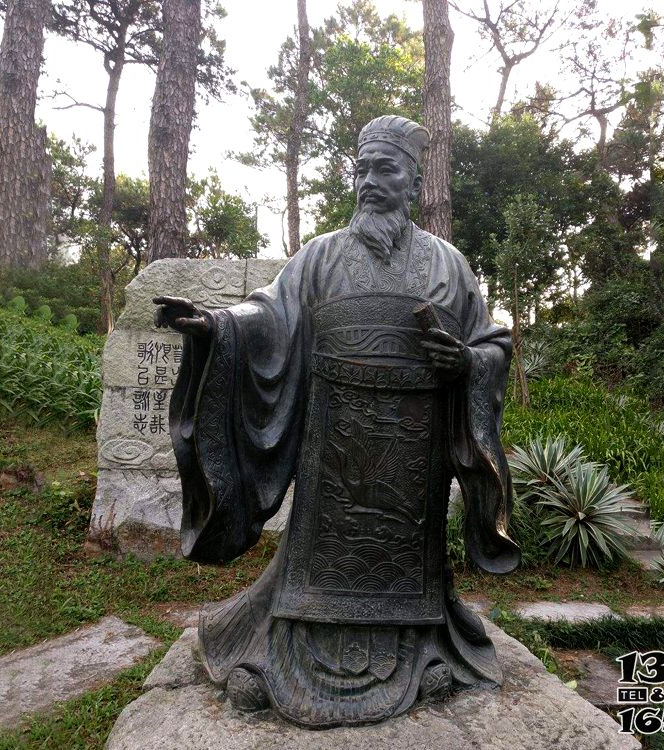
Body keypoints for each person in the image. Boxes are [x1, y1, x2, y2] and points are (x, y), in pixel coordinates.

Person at [153, 115, 519, 728]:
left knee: (408, 557)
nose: (371, 182)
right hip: (333, 442)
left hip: (414, 445)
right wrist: (216, 327)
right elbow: (269, 315)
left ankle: (427, 648)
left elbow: (493, 345)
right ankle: (279, 652)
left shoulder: (448, 266)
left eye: (386, 169)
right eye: (362, 170)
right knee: (320, 557)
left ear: (413, 180)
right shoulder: (320, 256)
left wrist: (466, 362)